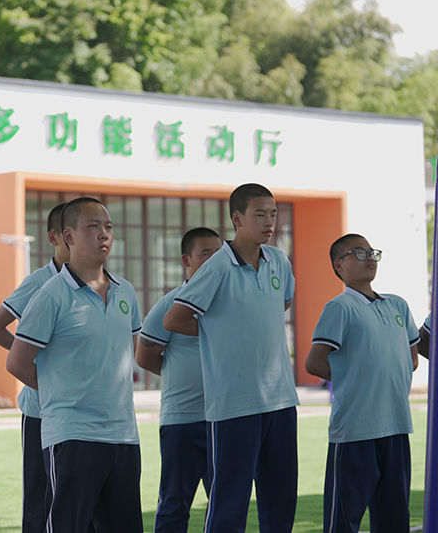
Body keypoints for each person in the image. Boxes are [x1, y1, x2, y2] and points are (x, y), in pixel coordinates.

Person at [163, 183, 299, 533]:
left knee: (281, 501)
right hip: (234, 405)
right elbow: (174, 320)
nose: (269, 222)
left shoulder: (279, 261)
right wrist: (219, 333)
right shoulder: (218, 266)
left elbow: (280, 304)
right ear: (237, 218)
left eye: (273, 214)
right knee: (229, 504)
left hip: (281, 401)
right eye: (260, 214)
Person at [6, 197, 143, 533]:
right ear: (68, 236)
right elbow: (17, 363)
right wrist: (61, 388)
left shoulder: (126, 292)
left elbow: (130, 353)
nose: (104, 234)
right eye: (93, 226)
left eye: (108, 227)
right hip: (73, 435)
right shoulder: (51, 294)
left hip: (123, 435)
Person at [305, 234, 419, 533]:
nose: (369, 257)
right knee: (343, 521)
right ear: (338, 265)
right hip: (355, 430)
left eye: (371, 252)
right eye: (358, 252)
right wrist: (356, 378)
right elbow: (314, 363)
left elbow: (411, 359)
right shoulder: (340, 307)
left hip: (396, 425)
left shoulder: (398, 304)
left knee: (395, 519)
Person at [0, 202, 69, 533]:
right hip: (41, 412)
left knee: (79, 502)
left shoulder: (101, 283)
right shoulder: (39, 282)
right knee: (40, 500)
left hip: (85, 412)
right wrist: (32, 359)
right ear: (54, 238)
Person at [136, 227, 220, 533]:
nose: (214, 261)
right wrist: (178, 374)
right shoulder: (170, 304)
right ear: (187, 260)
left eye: (219, 254)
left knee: (225, 504)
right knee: (174, 504)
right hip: (182, 421)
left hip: (223, 419)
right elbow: (145, 357)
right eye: (206, 254)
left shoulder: (228, 305)